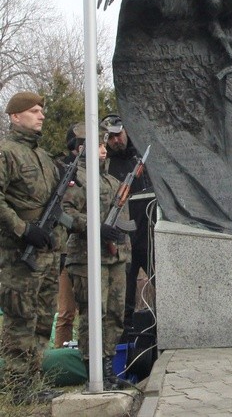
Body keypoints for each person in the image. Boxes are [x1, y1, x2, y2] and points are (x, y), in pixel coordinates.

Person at [0, 91, 63, 403]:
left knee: (41, 320)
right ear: (15, 116)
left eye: (42, 110)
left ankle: (33, 383)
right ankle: (16, 388)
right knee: (19, 321)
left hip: (46, 254)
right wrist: (24, 229)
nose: (41, 116)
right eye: (34, 111)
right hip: (18, 256)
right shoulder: (6, 152)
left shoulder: (43, 157)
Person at [62, 123, 132, 389]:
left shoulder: (112, 180)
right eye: (99, 146)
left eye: (104, 145)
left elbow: (123, 219)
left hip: (114, 258)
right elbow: (67, 214)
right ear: (83, 150)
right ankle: (94, 370)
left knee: (115, 314)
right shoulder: (76, 178)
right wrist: (95, 227)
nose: (104, 150)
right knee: (94, 314)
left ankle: (109, 369)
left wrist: (120, 243)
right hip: (87, 257)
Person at [100, 114, 155, 328]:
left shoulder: (142, 158)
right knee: (124, 301)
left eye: (118, 135)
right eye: (110, 138)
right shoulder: (106, 165)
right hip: (121, 240)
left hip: (147, 235)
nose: (116, 141)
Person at [53, 124, 82, 348]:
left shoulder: (92, 172)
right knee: (65, 312)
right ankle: (61, 357)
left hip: (86, 248)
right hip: (65, 248)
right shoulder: (60, 168)